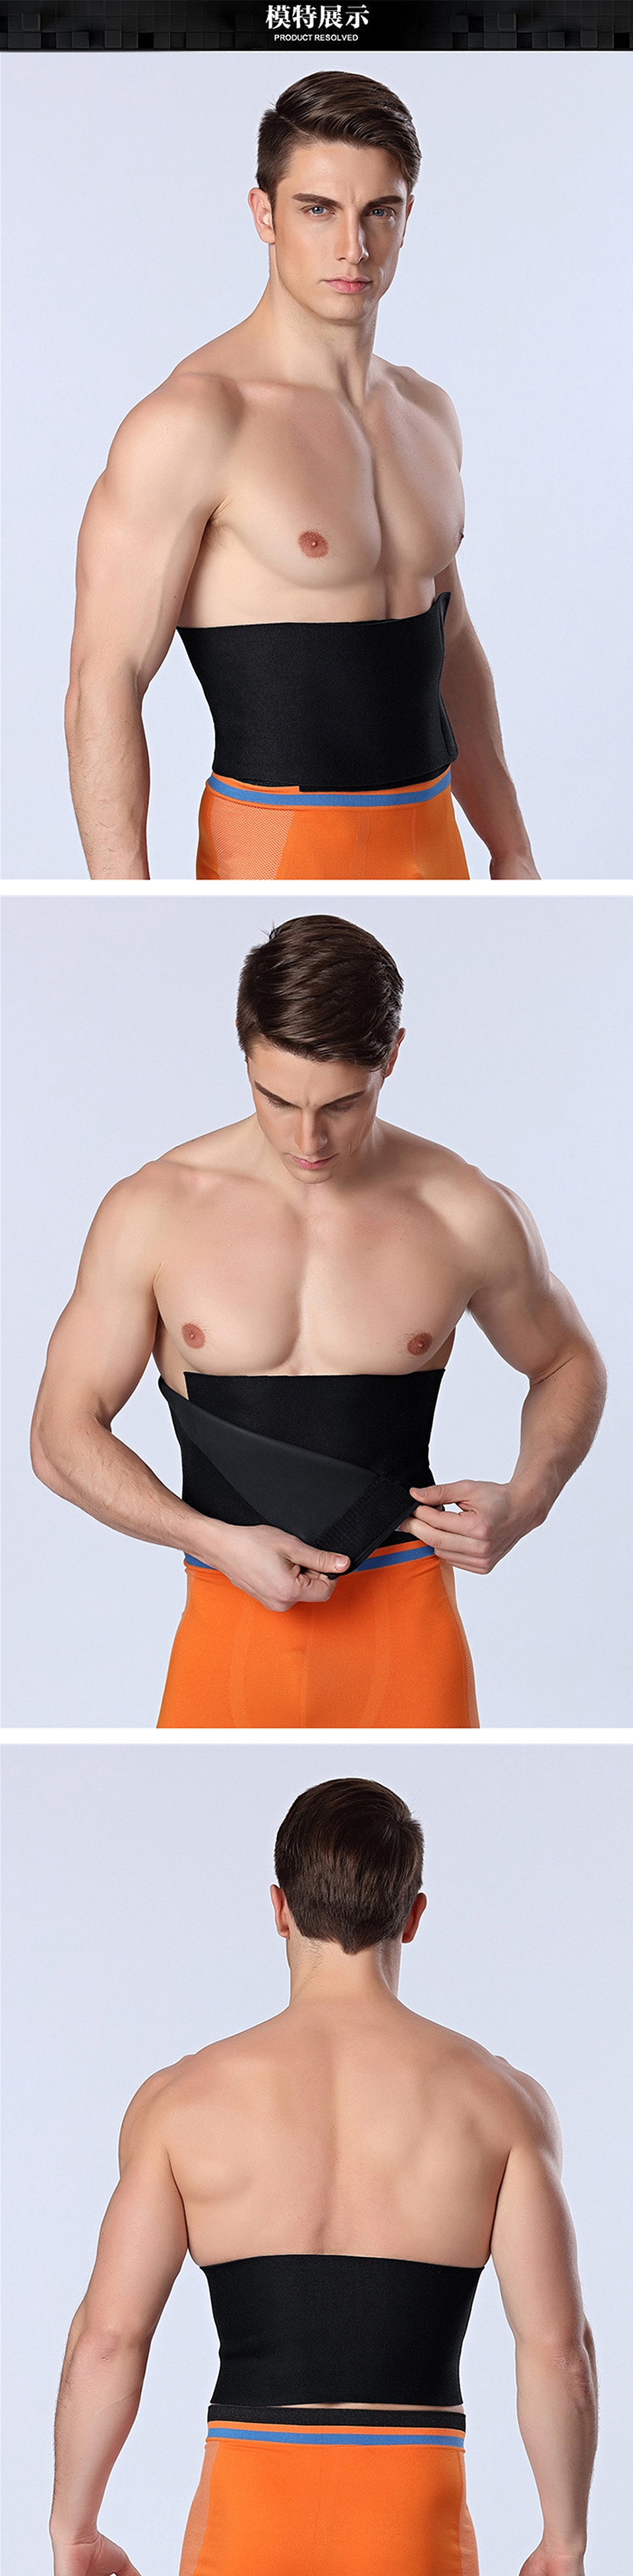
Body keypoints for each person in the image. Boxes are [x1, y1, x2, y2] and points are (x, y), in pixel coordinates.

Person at [30, 915, 605, 1729]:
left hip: (407, 1621)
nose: (308, 1140)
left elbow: (567, 1361)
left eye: (342, 1104)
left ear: (392, 1058)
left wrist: (529, 1498)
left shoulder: (464, 1210)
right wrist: (213, 1538)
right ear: (246, 1058)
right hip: (228, 1616)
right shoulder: (154, 1209)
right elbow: (59, 1436)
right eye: (277, 1100)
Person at [49, 1775, 597, 2576]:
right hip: (414, 2521)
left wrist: (75, 2530)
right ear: (412, 1917)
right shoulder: (502, 2105)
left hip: (247, 2513)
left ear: (280, 1909)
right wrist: (563, 2542)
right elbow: (557, 2353)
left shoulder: (179, 2104)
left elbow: (108, 2340)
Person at [65, 71, 537, 885]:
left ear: (406, 218)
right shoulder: (197, 420)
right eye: (318, 209)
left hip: (434, 845)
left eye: (378, 211)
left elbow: (452, 644)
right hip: (273, 846)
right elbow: (103, 681)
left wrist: (512, 848)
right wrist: (124, 902)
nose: (353, 247)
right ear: (265, 215)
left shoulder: (426, 412)